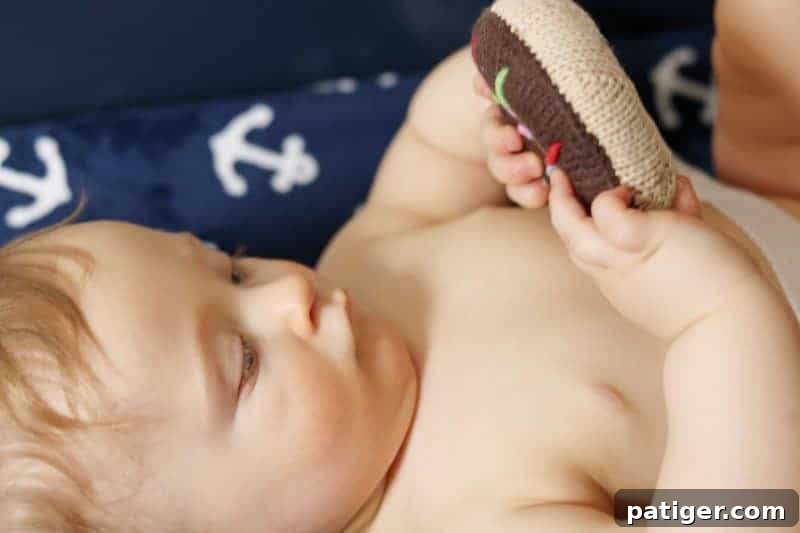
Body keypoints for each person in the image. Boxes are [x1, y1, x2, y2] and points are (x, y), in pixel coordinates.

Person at [2, 0, 799, 531]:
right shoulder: (464, 513)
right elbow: (736, 516)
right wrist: (721, 321)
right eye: (244, 362)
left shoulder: (364, 271)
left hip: (773, 190)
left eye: (231, 267)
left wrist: (491, 111)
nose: (288, 292)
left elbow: (427, 158)